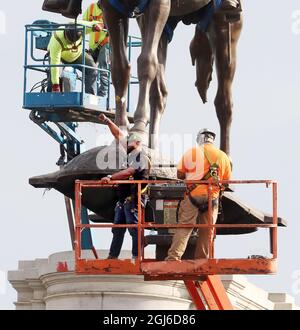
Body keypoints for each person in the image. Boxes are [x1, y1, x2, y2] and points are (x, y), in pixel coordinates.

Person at [166, 129, 232, 261]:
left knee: (185, 226)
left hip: (193, 195)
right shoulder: (223, 156)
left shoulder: (192, 152)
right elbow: (226, 181)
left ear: (200, 139)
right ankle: (202, 260)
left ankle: (174, 257)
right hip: (212, 197)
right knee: (207, 230)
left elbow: (179, 174)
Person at [99, 114, 151, 260]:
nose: (126, 143)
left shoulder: (141, 157)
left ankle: (137, 256)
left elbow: (129, 172)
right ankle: (113, 256)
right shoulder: (131, 154)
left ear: (138, 142)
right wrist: (108, 121)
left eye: (129, 141)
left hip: (134, 199)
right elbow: (118, 134)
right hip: (124, 200)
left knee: (134, 228)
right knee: (117, 229)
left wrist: (110, 177)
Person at [48, 21, 104, 94]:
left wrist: (99, 25)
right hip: (61, 57)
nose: (72, 44)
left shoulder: (82, 28)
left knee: (92, 69)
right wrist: (55, 85)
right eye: (70, 42)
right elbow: (55, 64)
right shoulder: (57, 40)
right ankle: (50, 96)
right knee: (54, 74)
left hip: (78, 55)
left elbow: (94, 24)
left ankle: (90, 97)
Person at [83, 1, 110, 97]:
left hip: (106, 43)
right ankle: (90, 95)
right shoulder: (91, 8)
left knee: (103, 69)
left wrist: (103, 25)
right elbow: (83, 25)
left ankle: (102, 96)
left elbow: (116, 23)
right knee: (89, 68)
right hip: (93, 47)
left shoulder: (111, 7)